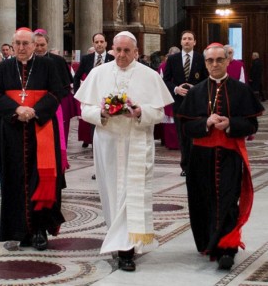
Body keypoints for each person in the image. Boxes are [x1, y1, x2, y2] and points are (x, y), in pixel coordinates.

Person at [74, 31, 173, 271]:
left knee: (131, 192)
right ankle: (116, 234)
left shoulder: (149, 76)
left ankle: (126, 249)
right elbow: (84, 109)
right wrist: (102, 113)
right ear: (111, 50)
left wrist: (141, 112)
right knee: (109, 190)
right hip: (107, 141)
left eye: (127, 51)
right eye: (117, 50)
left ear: (136, 52)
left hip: (136, 141)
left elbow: (160, 113)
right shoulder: (98, 74)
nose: (121, 55)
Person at [178, 43, 264, 270]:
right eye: (210, 61)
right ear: (205, 63)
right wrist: (205, 123)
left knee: (228, 200)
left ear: (227, 61)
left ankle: (228, 247)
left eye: (219, 60)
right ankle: (209, 243)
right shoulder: (196, 92)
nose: (214, 64)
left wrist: (231, 124)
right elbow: (186, 128)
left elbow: (252, 124)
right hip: (200, 158)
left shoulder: (241, 90)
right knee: (203, 199)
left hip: (230, 155)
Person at [0, 27, 66, 251]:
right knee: (13, 178)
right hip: (12, 132)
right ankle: (18, 230)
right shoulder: (4, 67)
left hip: (40, 129)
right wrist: (16, 110)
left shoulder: (48, 65)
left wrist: (34, 111)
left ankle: (40, 230)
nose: (21, 48)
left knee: (41, 179)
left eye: (26, 43)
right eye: (18, 44)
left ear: (34, 45)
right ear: (12, 46)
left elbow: (57, 93)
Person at [163, 30, 208, 176]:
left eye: (190, 39)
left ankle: (197, 164)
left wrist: (196, 89)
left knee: (196, 134)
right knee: (182, 136)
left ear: (194, 42)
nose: (187, 41)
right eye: (184, 39)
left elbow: (207, 80)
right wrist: (176, 89)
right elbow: (165, 80)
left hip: (197, 103)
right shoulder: (173, 59)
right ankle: (185, 166)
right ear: (181, 42)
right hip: (179, 103)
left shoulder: (201, 59)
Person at [33, 28, 75, 147]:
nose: (39, 48)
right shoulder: (28, 60)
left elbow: (65, 85)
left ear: (47, 44)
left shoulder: (58, 60)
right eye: (36, 45)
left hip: (55, 104)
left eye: (42, 45)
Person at [73, 33, 115, 149]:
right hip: (92, 96)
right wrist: (79, 94)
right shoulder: (87, 59)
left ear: (106, 43)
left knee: (108, 122)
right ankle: (95, 147)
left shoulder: (112, 59)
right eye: (96, 42)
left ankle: (108, 146)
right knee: (93, 122)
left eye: (101, 42)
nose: (99, 44)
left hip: (109, 97)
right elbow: (77, 77)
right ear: (93, 44)